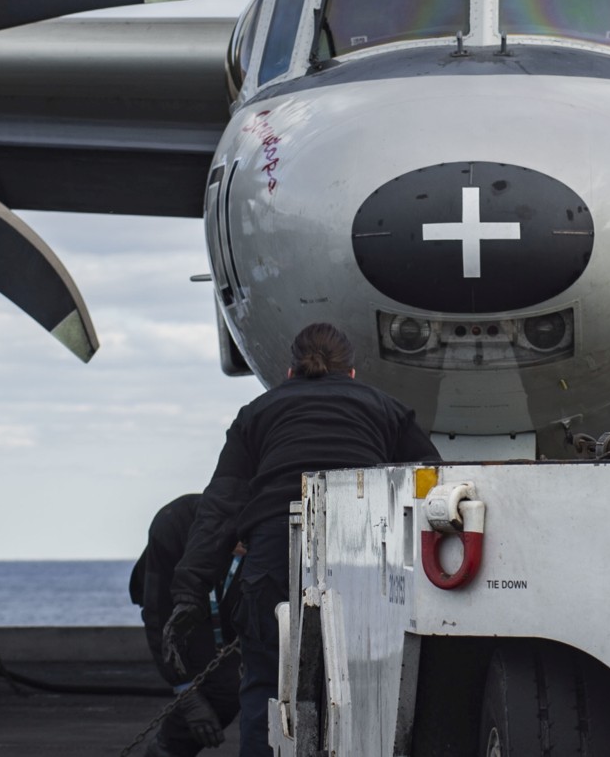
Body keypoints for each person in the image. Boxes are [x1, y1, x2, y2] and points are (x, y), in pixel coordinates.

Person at [165, 322, 439, 757]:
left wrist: (188, 593)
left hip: (274, 559)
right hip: (363, 560)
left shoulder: (257, 413)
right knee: (367, 690)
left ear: (290, 373)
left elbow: (219, 510)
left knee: (267, 690)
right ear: (352, 373)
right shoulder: (386, 409)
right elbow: (432, 487)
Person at [130, 493, 239, 755]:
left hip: (218, 601)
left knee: (231, 684)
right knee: (210, 693)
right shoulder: (173, 523)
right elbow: (158, 616)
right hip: (171, 602)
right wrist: (185, 693)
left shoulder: (252, 533)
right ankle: (165, 750)